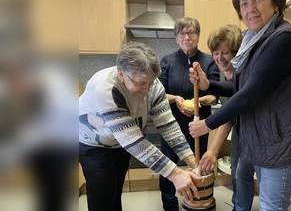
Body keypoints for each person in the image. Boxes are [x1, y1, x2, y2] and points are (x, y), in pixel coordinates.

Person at [188, 0, 291, 210]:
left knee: (271, 206)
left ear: (275, 2)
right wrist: (209, 84)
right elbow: (240, 87)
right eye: (244, 4)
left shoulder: (283, 38)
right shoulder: (256, 40)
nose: (251, 8)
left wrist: (207, 124)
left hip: (282, 140)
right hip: (265, 137)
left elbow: (249, 95)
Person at [79, 41, 201, 211]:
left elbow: (168, 125)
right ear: (122, 75)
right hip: (92, 143)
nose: (147, 89)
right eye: (140, 83)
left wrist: (191, 160)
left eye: (150, 83)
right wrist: (175, 174)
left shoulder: (152, 84)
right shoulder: (105, 89)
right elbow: (133, 140)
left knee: (115, 191)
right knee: (103, 195)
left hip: (119, 143)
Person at [158, 17, 220, 211]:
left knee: (199, 166)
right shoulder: (167, 61)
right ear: (176, 38)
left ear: (198, 36)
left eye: (191, 32)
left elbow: (215, 96)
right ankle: (170, 206)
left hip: (200, 126)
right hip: (172, 125)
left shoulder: (208, 62)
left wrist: (198, 102)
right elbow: (159, 93)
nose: (187, 37)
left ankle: (196, 202)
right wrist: (176, 98)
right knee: (168, 168)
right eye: (182, 33)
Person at [199, 24, 255, 211]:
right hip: (241, 129)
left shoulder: (243, 73)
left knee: (243, 174)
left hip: (255, 130)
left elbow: (229, 116)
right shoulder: (225, 76)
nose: (219, 58)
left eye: (225, 53)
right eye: (216, 53)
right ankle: (239, 207)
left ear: (236, 52)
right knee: (237, 173)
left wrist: (213, 151)